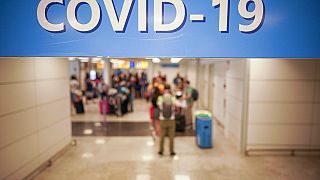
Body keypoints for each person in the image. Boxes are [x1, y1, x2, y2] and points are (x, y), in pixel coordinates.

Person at [157, 84, 176, 156]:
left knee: (162, 136)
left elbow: (159, 106)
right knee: (171, 136)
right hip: (171, 119)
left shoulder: (160, 98)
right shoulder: (172, 98)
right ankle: (171, 151)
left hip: (162, 119)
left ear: (164, 89)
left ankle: (161, 150)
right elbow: (175, 106)